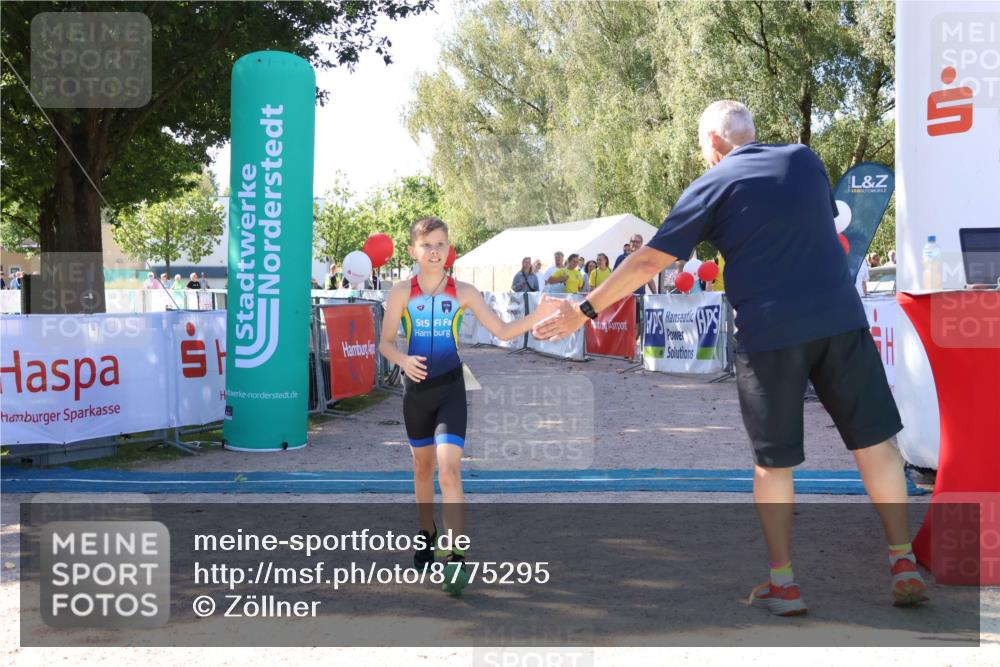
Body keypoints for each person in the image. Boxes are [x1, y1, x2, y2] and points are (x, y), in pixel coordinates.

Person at [534, 99, 925, 615]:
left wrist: (584, 309)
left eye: (702, 145)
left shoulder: (712, 183)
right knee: (876, 445)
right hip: (840, 320)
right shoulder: (805, 160)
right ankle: (903, 561)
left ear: (714, 142)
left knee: (773, 464)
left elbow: (649, 261)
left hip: (770, 333)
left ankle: (784, 584)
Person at [378, 216, 557, 596]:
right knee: (422, 469)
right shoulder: (400, 293)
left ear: (449, 249)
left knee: (449, 470)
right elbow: (386, 342)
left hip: (450, 389)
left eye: (440, 244)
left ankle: (457, 556)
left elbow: (502, 331)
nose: (434, 251)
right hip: (416, 393)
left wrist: (537, 316)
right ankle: (427, 532)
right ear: (413, 250)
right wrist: (403, 360)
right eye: (426, 245)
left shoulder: (464, 292)